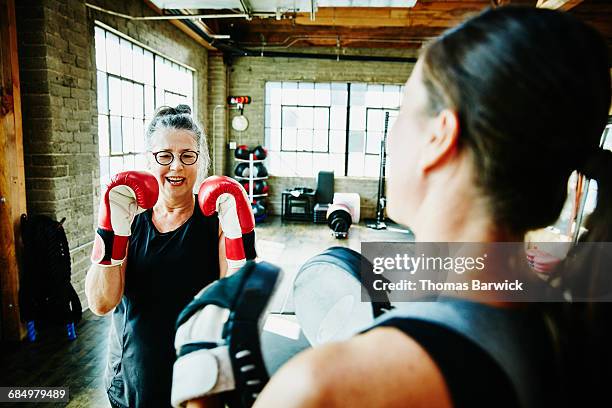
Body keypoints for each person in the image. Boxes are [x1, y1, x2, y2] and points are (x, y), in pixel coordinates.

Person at [178, 6, 612, 408]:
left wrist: (203, 377)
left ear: (440, 136)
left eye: (404, 108)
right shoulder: (564, 323)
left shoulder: (324, 384)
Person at [85, 105, 229, 408]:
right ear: (149, 160)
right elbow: (101, 303)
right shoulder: (128, 218)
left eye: (187, 155)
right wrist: (110, 228)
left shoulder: (217, 222)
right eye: (165, 155)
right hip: (134, 374)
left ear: (200, 160)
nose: (176, 166)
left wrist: (242, 236)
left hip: (197, 376)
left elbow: (234, 307)